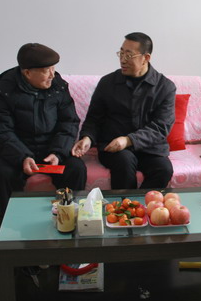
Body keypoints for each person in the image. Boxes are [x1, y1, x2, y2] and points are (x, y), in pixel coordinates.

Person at [0, 43, 87, 213]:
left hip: (51, 147)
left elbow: (69, 122)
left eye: (53, 68)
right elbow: (0, 130)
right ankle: (13, 221)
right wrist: (22, 157)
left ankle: (67, 216)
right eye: (46, 70)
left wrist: (57, 152)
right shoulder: (4, 91)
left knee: (76, 169)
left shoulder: (58, 86)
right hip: (18, 149)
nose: (52, 74)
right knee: (3, 175)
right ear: (27, 73)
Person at [71, 32, 175, 189]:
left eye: (129, 55)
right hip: (113, 146)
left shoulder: (165, 87)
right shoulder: (107, 82)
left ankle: (143, 203)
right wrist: (87, 138)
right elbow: (94, 119)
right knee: (124, 163)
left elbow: (161, 127)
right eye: (121, 53)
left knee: (164, 170)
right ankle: (124, 204)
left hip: (150, 148)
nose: (123, 60)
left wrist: (128, 140)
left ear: (146, 58)